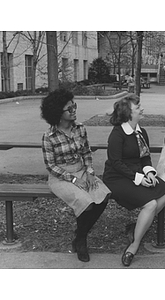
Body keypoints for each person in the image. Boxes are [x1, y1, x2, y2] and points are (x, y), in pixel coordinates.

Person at [41, 88, 111, 262]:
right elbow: (51, 166)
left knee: (103, 196)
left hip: (82, 170)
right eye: (69, 109)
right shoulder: (48, 136)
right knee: (85, 202)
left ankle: (79, 235)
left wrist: (89, 172)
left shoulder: (80, 128)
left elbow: (86, 152)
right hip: (60, 177)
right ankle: (82, 242)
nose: (74, 111)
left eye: (75, 106)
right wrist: (73, 179)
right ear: (58, 112)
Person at [103, 93, 165, 267]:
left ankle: (138, 227)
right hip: (117, 177)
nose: (142, 109)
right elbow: (116, 163)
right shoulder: (117, 134)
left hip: (137, 175)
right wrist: (139, 178)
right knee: (151, 204)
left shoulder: (141, 132)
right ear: (128, 114)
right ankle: (134, 245)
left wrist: (149, 173)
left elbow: (145, 158)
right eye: (138, 107)